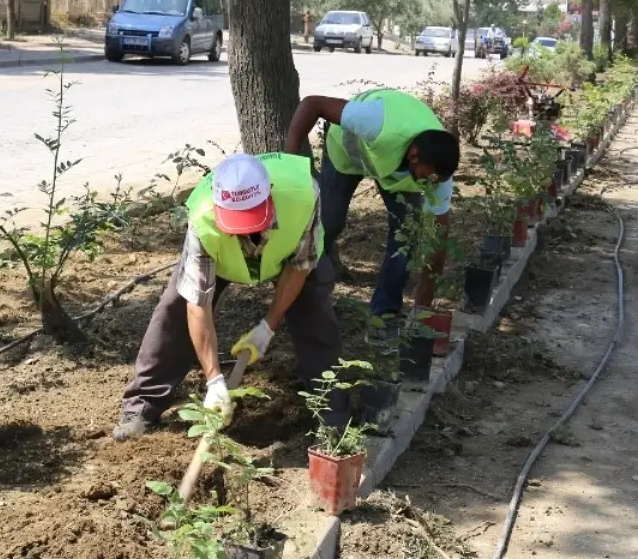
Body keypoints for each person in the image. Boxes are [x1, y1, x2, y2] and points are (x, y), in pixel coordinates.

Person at [114, 152, 346, 440]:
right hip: (222, 259)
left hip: (290, 254)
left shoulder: (303, 195)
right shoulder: (203, 217)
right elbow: (197, 303)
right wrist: (214, 380)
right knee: (174, 311)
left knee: (315, 312)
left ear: (269, 195)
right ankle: (143, 404)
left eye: (253, 220)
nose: (247, 231)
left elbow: (299, 268)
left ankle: (331, 412)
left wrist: (267, 327)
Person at [284, 88, 460, 327]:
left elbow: (438, 240)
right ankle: (295, 294)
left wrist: (423, 307)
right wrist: (290, 164)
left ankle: (384, 315)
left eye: (435, 181)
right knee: (328, 223)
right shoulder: (375, 122)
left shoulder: (437, 174)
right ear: (415, 156)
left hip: (390, 169)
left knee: (406, 236)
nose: (430, 186)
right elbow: (313, 103)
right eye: (427, 178)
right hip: (345, 155)